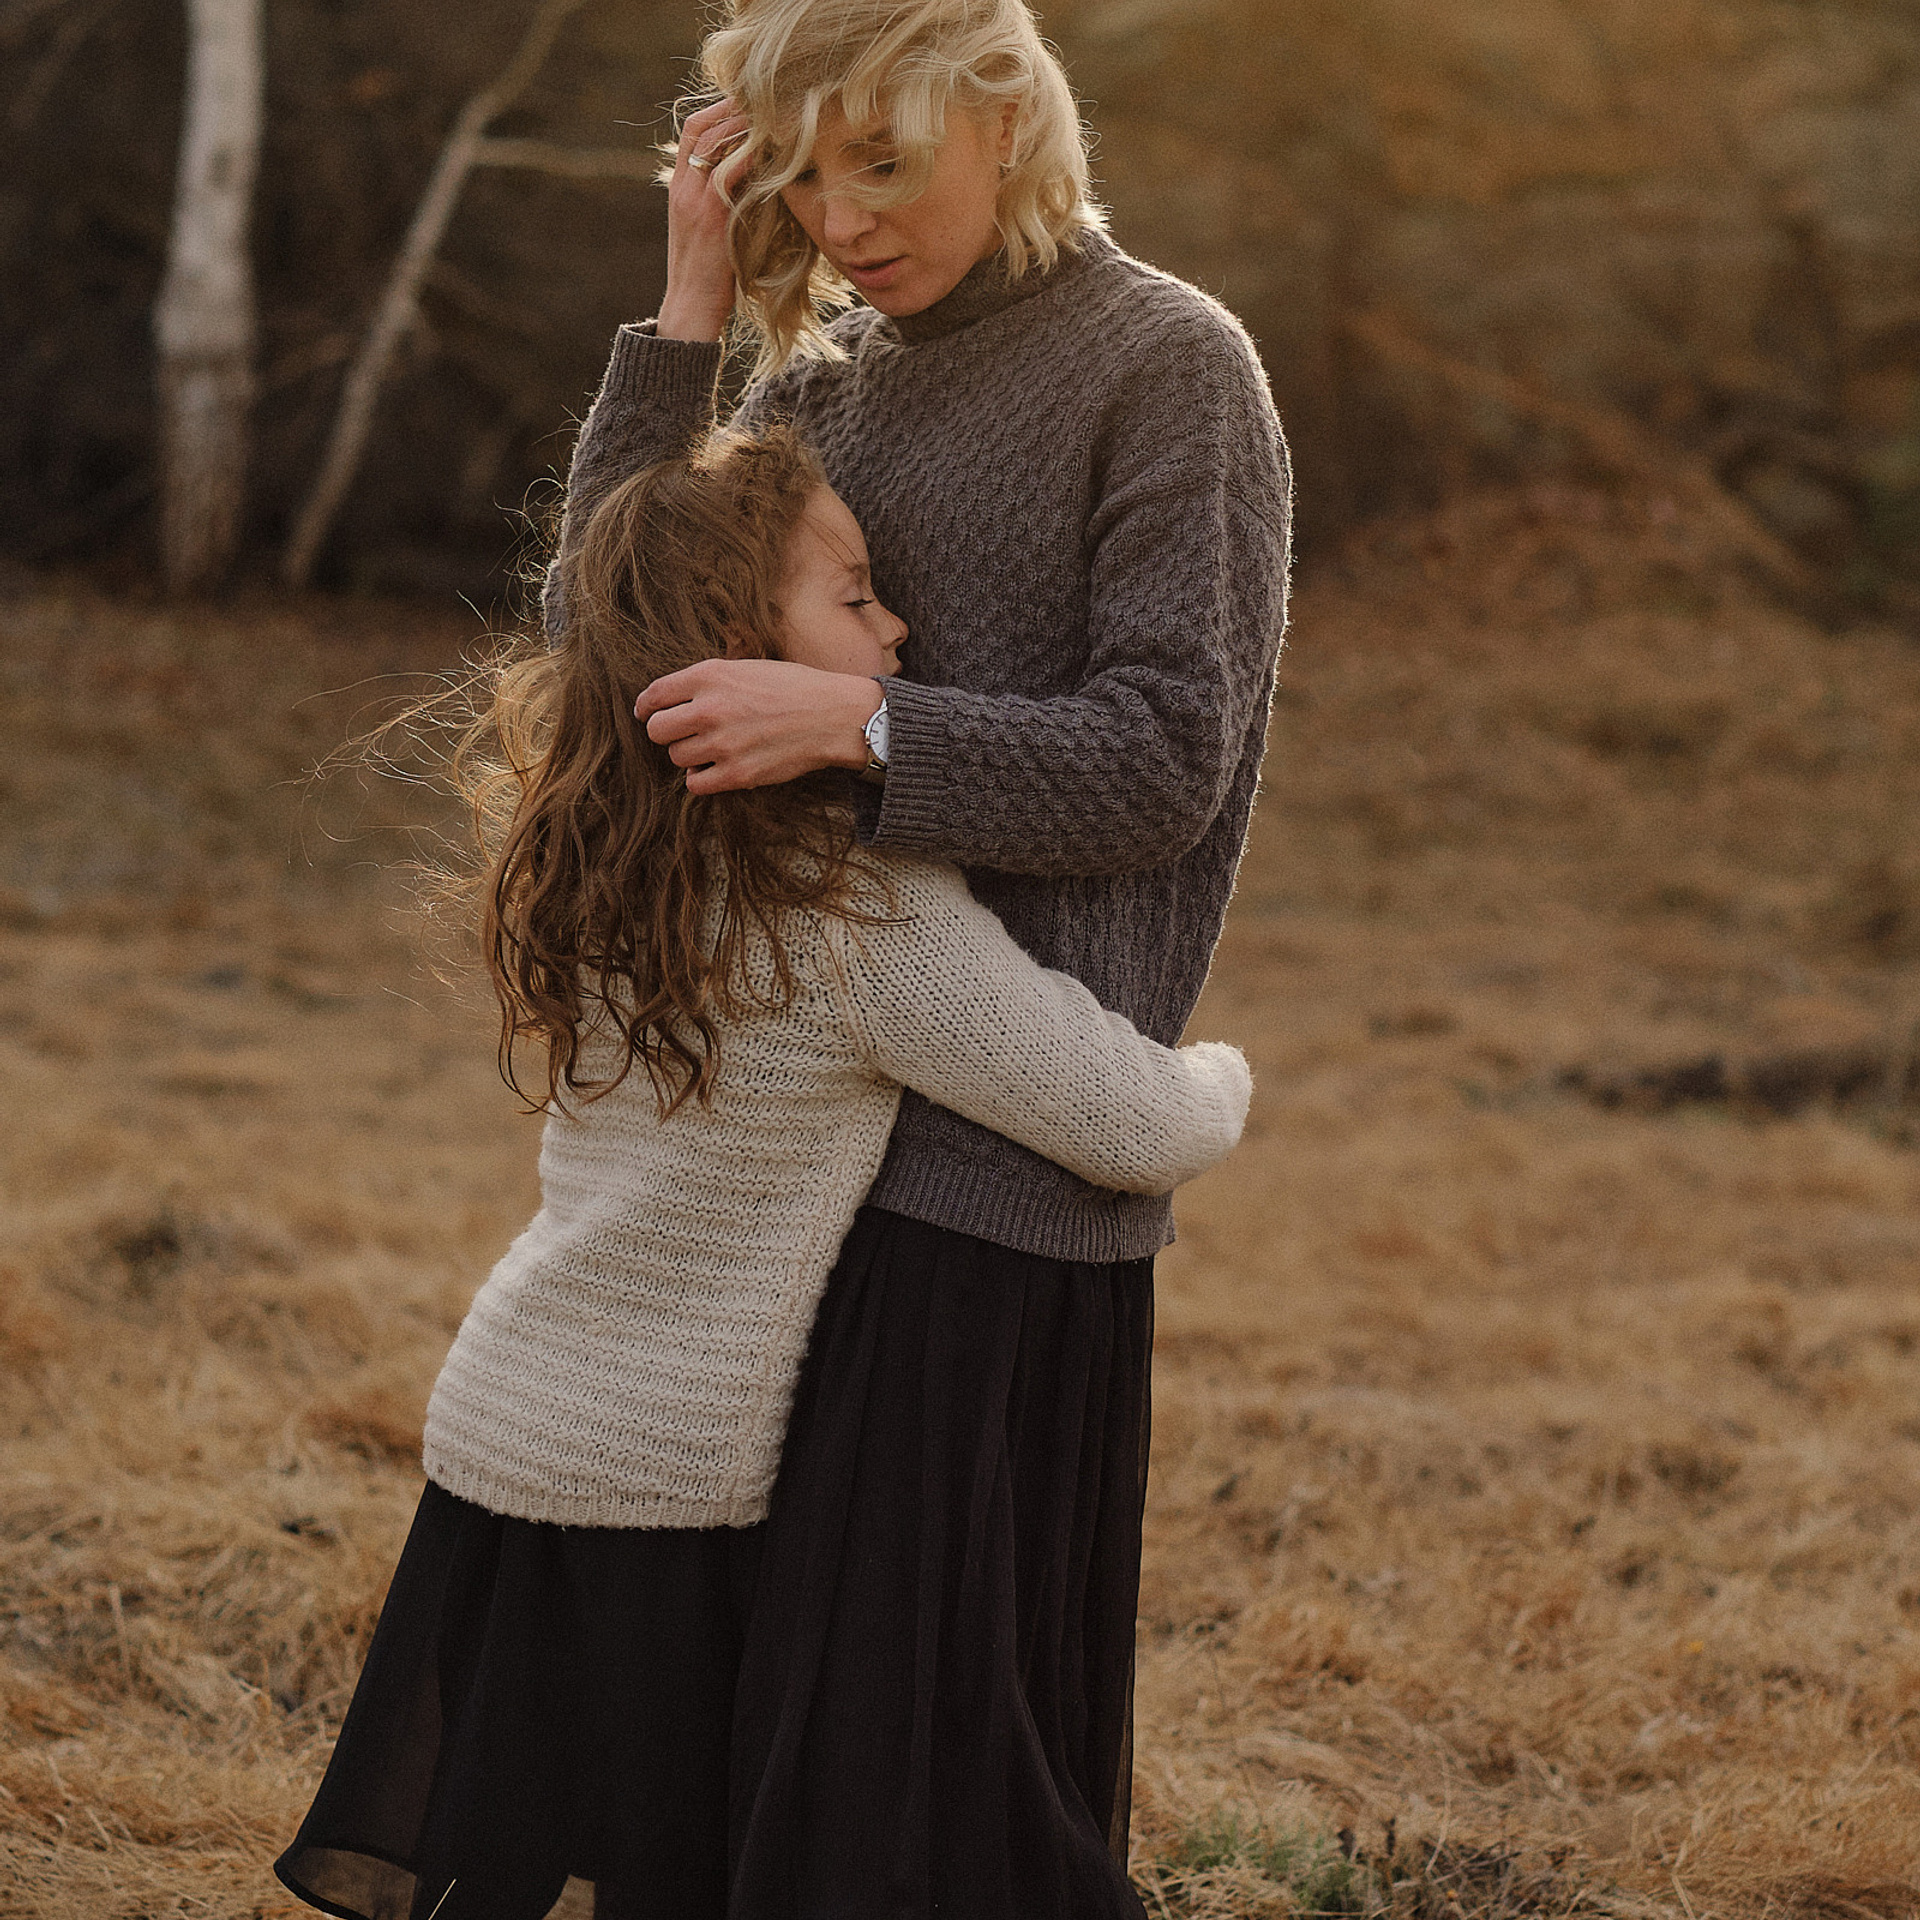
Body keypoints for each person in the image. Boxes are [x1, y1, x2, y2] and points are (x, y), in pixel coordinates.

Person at [273, 424, 1251, 1920]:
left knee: (523, 1871)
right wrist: (1223, 1075)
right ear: (739, 646)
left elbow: (613, 567)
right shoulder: (847, 911)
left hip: (507, 1437)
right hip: (675, 1492)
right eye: (855, 598)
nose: (897, 626)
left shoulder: (597, 847)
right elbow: (1120, 1119)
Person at [537, 1, 1291, 1915]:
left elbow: (1164, 764)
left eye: (887, 159)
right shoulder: (823, 370)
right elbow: (608, 646)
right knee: (747, 1784)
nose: (846, 217)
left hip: (1002, 1182)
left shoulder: (1169, 364)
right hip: (783, 1165)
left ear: (1009, 110)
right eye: (802, 172)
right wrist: (691, 316)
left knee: (935, 1812)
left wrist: (859, 732)